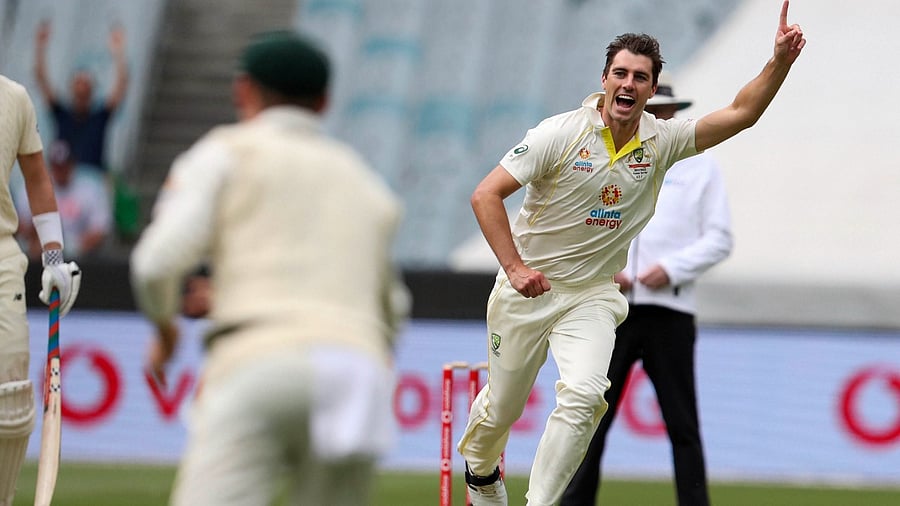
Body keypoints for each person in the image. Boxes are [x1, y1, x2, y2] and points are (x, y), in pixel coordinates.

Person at [457, 3, 804, 505]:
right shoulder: (559, 133)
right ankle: (482, 470)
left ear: (650, 89)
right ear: (604, 79)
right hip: (528, 289)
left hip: (592, 295)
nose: (629, 83)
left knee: (583, 396)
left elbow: (741, 114)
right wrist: (514, 268)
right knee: (502, 412)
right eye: (620, 72)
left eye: (641, 77)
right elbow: (485, 195)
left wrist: (779, 62)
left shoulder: (661, 142)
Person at [129, 30, 409, 506]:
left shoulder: (226, 151)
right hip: (355, 372)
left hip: (258, 360)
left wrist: (166, 332)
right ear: (323, 102)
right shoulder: (363, 179)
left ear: (243, 90)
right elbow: (394, 309)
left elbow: (155, 263)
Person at [560, 74, 733, 506]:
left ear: (676, 114)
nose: (656, 119)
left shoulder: (700, 168)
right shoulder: (608, 158)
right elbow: (581, 224)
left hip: (669, 309)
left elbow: (719, 238)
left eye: (663, 113)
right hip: (610, 306)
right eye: (651, 112)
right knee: (589, 416)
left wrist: (670, 270)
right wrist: (604, 267)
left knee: (682, 423)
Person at [0, 74, 81, 506]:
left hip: (1, 259)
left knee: (11, 402)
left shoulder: (13, 98)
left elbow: (37, 177)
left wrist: (53, 257)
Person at [34, 20, 129, 174]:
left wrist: (119, 53)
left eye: (85, 84)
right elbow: (41, 80)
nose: (81, 88)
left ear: (92, 90)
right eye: (78, 83)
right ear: (71, 88)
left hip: (92, 179)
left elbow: (121, 87)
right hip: (64, 180)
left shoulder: (100, 116)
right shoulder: (62, 114)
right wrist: (40, 47)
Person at [16, 140, 113, 260]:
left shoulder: (91, 187)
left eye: (64, 167)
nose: (60, 172)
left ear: (73, 164)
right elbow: (20, 226)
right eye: (56, 167)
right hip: (40, 255)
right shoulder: (32, 187)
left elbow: (100, 230)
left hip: (82, 258)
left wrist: (72, 247)